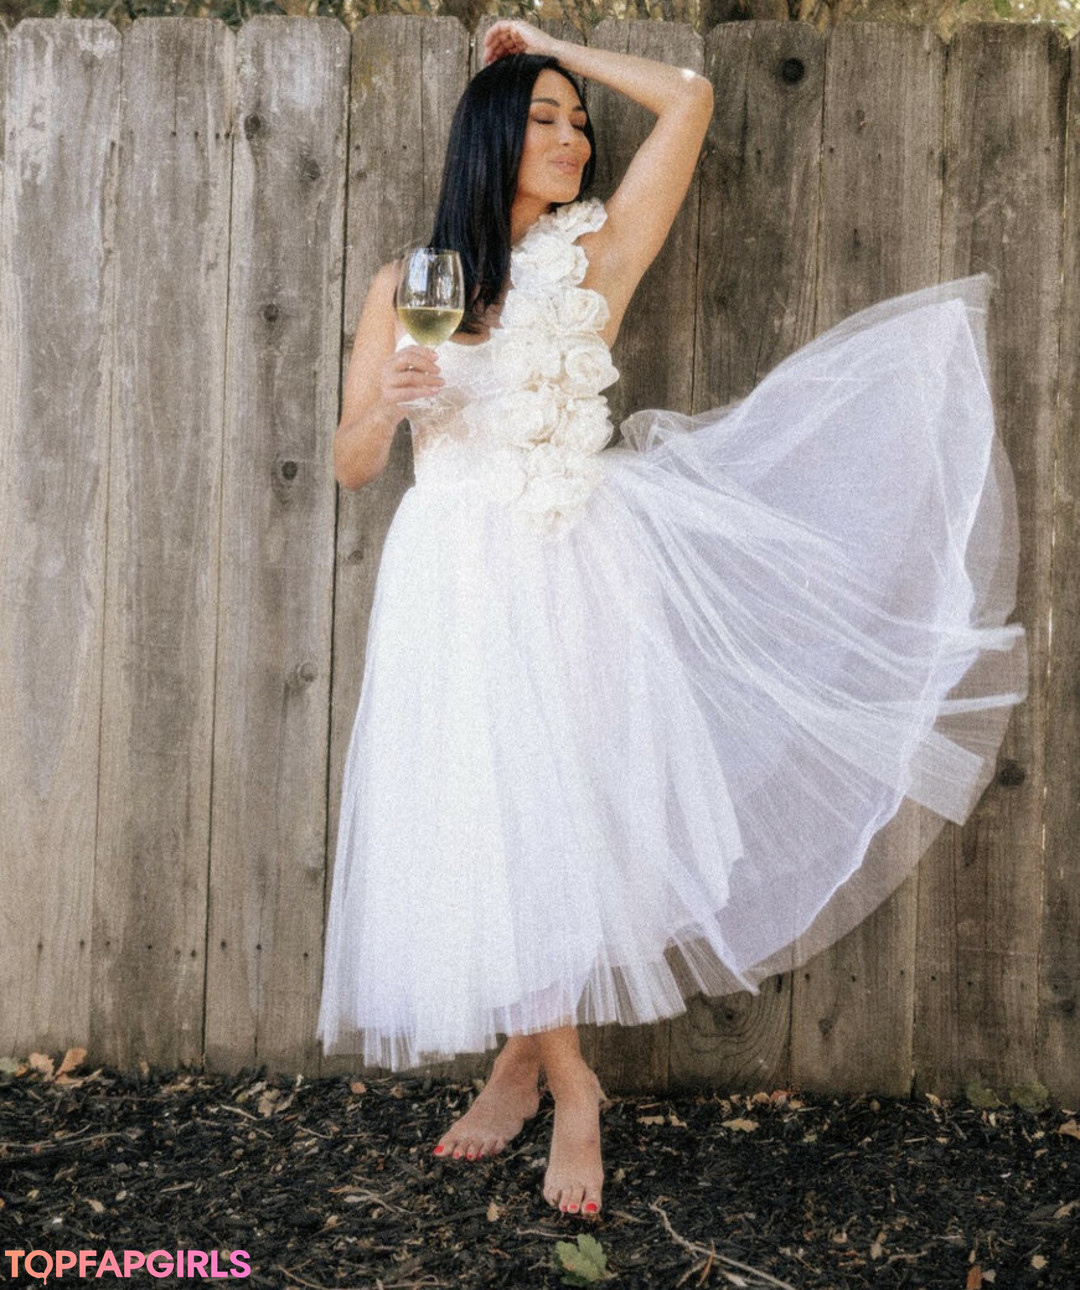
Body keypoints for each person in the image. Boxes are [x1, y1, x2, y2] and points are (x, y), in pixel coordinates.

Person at [317, 18, 1028, 1221]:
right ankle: (556, 1071)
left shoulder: (598, 253)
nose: (572, 138)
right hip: (451, 573)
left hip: (573, 564)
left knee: (560, 808)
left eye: (578, 122)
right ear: (488, 139)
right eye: (542, 119)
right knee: (488, 811)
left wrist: (555, 44)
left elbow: (689, 98)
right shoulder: (410, 283)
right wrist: (385, 406)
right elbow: (347, 465)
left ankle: (546, 1075)